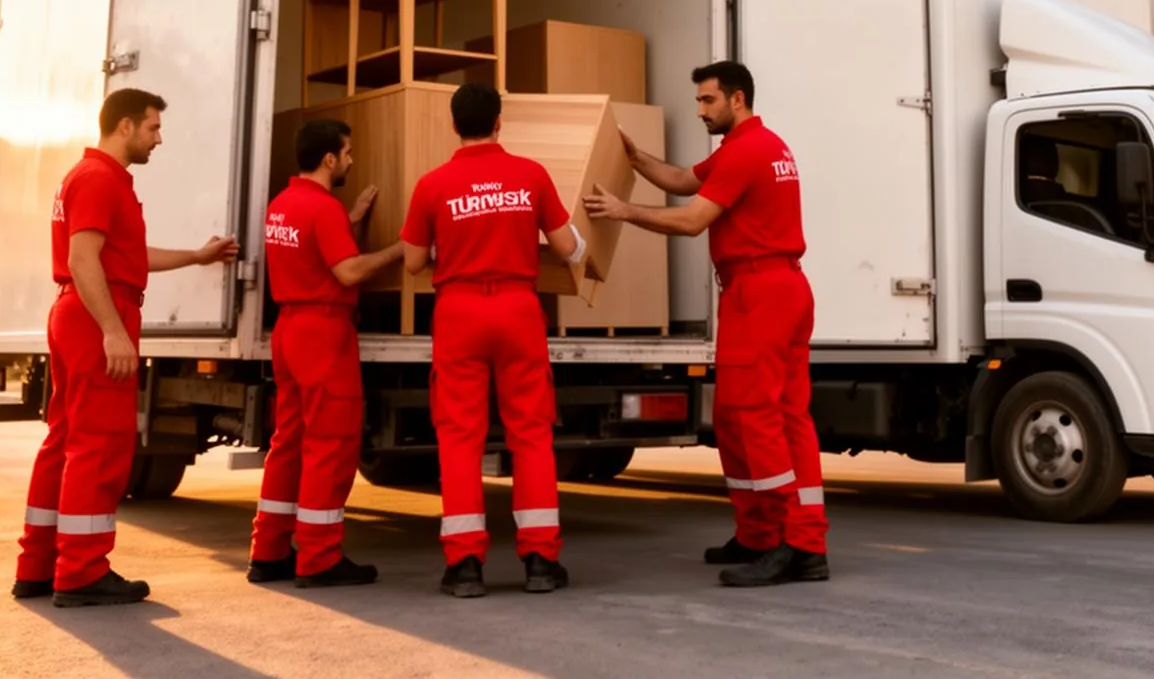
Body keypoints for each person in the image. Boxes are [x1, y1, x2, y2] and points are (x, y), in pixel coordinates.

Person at [584, 61, 828, 588]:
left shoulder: (745, 152)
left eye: (707, 101)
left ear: (737, 100)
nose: (699, 110)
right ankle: (770, 534)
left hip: (760, 292)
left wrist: (624, 211)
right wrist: (631, 154)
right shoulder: (757, 147)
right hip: (776, 288)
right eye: (698, 101)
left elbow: (693, 220)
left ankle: (791, 541)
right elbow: (679, 179)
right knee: (774, 416)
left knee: (752, 415)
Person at [12, 88, 239, 607]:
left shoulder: (92, 177)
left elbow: (126, 255)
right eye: (153, 127)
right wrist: (113, 330)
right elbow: (84, 258)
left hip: (78, 313)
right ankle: (83, 572)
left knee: (65, 438)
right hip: (97, 314)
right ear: (124, 127)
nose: (158, 138)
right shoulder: (98, 179)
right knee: (99, 442)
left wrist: (196, 257)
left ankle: (39, 566)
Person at [400, 83, 585, 599]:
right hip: (518, 309)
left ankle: (464, 567)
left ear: (454, 126)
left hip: (458, 311)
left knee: (460, 437)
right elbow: (568, 248)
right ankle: (541, 560)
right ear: (500, 123)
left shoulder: (433, 185)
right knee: (531, 433)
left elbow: (413, 262)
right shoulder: (530, 175)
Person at [247, 119, 405, 589]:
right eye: (348, 152)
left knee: (289, 443)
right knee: (331, 445)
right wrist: (400, 248)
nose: (352, 160)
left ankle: (269, 551)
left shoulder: (283, 204)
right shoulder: (322, 208)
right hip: (324, 333)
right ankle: (318, 557)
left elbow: (313, 250)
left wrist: (350, 220)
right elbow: (350, 271)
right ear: (329, 159)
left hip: (289, 330)